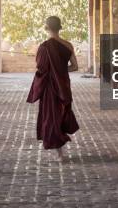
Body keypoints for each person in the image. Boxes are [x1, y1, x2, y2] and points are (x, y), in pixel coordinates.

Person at [26, 16, 79, 161]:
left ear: (46, 28)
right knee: (61, 113)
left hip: (49, 87)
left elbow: (41, 69)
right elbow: (75, 66)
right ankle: (60, 147)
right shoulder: (68, 45)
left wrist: (51, 72)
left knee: (51, 116)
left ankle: (59, 153)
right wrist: (60, 71)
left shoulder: (43, 47)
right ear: (60, 27)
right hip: (63, 85)